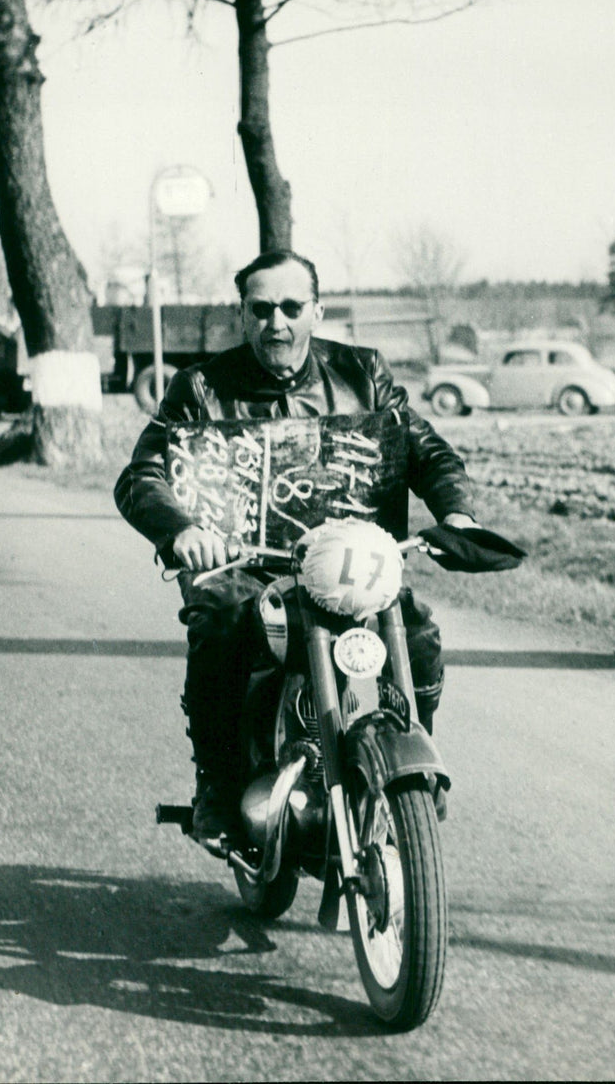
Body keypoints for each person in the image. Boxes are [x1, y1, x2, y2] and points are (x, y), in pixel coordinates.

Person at [115, 250, 479, 843]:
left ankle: (416, 757)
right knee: (221, 623)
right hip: (246, 566)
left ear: (317, 309)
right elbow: (143, 474)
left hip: (345, 560)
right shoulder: (200, 388)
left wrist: (456, 513)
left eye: (290, 307)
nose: (276, 323)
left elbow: (425, 449)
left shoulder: (364, 373)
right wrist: (181, 528)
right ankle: (218, 780)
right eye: (260, 309)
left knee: (416, 631)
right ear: (242, 314)